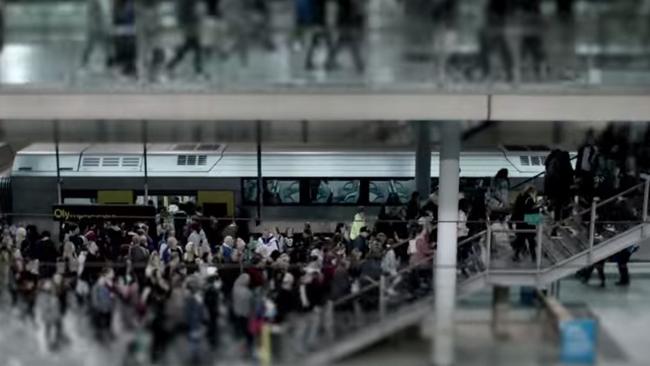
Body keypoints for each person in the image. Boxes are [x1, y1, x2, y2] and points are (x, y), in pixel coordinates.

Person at [326, 0, 365, 73]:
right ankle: (359, 64)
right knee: (350, 43)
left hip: (345, 20)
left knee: (342, 43)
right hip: (345, 20)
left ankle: (329, 62)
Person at [479, 0, 513, 81]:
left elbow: (503, 14)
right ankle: (489, 72)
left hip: (498, 27)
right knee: (497, 48)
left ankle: (505, 72)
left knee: (501, 47)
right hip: (495, 26)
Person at [167, 0, 203, 76]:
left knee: (191, 45)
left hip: (188, 22)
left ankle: (171, 64)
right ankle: (198, 69)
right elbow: (187, 10)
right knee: (194, 45)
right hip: (189, 22)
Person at [544, 148, 574, 237]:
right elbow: (569, 177)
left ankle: (557, 227)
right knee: (565, 209)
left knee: (558, 209)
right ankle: (557, 228)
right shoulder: (563, 164)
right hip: (563, 191)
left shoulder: (551, 163)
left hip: (554, 191)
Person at [81, 0, 112, 69]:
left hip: (97, 25)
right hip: (97, 25)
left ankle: (84, 63)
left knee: (105, 44)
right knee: (93, 44)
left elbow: (104, 13)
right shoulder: (95, 2)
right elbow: (104, 13)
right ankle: (84, 63)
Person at [511, 186, 538, 262]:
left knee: (521, 239)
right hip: (528, 223)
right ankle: (534, 258)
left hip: (520, 222)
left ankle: (516, 256)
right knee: (530, 241)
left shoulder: (520, 198)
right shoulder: (529, 200)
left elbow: (516, 210)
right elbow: (531, 212)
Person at [304, 0, 333, 70]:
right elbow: (319, 11)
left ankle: (309, 62)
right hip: (319, 23)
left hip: (319, 22)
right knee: (328, 43)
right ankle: (328, 62)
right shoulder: (318, 3)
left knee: (315, 43)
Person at [90, 267, 115, 341]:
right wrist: (96, 305)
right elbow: (94, 293)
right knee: (100, 322)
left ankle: (107, 334)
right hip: (101, 306)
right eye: (111, 273)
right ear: (106, 274)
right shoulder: (100, 282)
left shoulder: (110, 282)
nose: (113, 274)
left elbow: (111, 292)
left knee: (108, 321)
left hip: (108, 306)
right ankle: (99, 336)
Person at [232, 273, 254, 355]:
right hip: (245, 314)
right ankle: (247, 349)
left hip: (237, 313)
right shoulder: (246, 292)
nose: (248, 282)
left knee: (242, 332)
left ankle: (243, 349)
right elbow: (250, 303)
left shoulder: (235, 288)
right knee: (247, 332)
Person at [575, 130, 598, 203]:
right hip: (582, 172)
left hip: (589, 174)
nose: (589, 140)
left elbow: (594, 162)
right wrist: (577, 175)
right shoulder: (582, 149)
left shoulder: (594, 150)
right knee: (581, 192)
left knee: (588, 193)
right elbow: (578, 162)